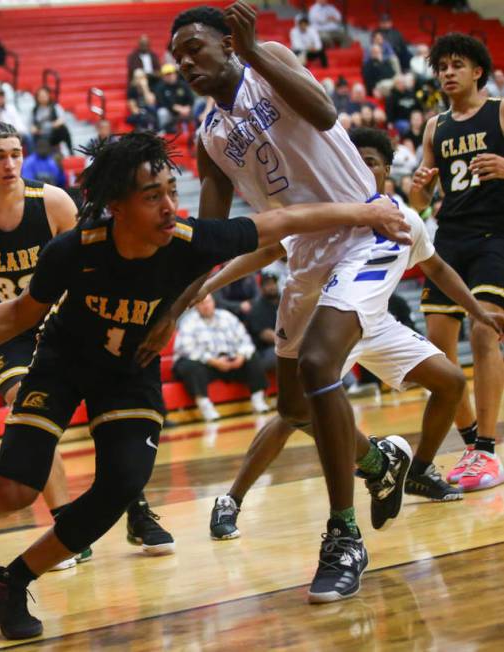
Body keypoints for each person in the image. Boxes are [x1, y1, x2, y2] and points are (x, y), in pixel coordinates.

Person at [0, 131, 410, 638]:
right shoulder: (74, 249)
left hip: (129, 372)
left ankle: (12, 581)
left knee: (121, 484)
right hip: (63, 361)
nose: (170, 206)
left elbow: (282, 220)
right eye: (153, 197)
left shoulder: (189, 238)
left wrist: (367, 212)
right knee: (14, 489)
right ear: (117, 206)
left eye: (171, 190)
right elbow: (20, 312)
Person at [153, 3, 415, 603]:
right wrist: (173, 300)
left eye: (194, 48)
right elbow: (212, 236)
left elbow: (325, 114)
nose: (185, 62)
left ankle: (343, 537)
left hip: (366, 230)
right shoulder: (211, 136)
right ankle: (377, 464)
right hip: (304, 254)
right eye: (176, 58)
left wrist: (255, 53)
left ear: (226, 41)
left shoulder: (272, 64)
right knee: (295, 406)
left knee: (323, 367)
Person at [0, 123, 172, 575]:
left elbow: (105, 250)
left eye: (16, 154)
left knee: (112, 418)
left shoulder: (54, 202)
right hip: (11, 334)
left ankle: (137, 513)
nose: (10, 164)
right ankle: (66, 525)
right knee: (31, 411)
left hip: (69, 324)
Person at [207, 126, 504, 540]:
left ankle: (415, 472)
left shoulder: (404, 218)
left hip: (375, 322)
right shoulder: (323, 213)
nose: (362, 168)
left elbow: (436, 268)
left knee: (452, 382)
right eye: (355, 160)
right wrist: (209, 284)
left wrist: (477, 310)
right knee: (293, 414)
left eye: (371, 162)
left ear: (385, 170)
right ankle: (233, 498)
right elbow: (266, 252)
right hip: (327, 324)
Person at [410, 33, 504, 491]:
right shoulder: (434, 127)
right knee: (437, 345)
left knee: (485, 330)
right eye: (442, 66)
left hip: (495, 238)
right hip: (450, 239)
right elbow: (421, 200)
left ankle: (487, 448)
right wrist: (421, 185)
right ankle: (470, 444)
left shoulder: (501, 111)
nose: (447, 72)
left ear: (477, 71)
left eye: (456, 65)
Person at [173, 294, 270, 421]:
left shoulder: (227, 316)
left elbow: (246, 341)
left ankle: (258, 400)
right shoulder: (188, 321)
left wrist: (240, 356)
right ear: (196, 306)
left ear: (213, 302)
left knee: (252, 356)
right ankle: (205, 406)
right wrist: (214, 361)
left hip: (231, 362)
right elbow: (186, 349)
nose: (206, 306)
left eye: (208, 302)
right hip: (206, 364)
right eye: (202, 303)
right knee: (188, 365)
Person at [247, 272, 281, 373]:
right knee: (287, 353)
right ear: (261, 288)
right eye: (267, 284)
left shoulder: (284, 300)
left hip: (284, 344)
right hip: (264, 352)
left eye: (273, 283)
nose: (272, 287)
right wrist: (293, 343)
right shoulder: (257, 308)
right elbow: (267, 336)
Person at [155, 63, 194, 135]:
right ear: (163, 76)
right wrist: (178, 109)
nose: (170, 76)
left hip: (186, 110)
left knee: (199, 104)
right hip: (171, 112)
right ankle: (163, 130)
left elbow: (191, 98)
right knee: (162, 112)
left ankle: (197, 129)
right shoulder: (160, 88)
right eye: (167, 74)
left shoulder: (183, 84)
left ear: (175, 74)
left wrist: (187, 107)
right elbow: (162, 102)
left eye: (171, 73)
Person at [31, 87, 71, 154]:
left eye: (44, 96)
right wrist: (35, 129)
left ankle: (70, 151)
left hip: (53, 133)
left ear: (48, 96)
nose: (43, 98)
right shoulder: (35, 110)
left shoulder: (55, 106)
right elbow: (31, 126)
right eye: (40, 96)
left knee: (64, 129)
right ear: (37, 98)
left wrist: (54, 124)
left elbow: (62, 119)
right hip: (41, 134)